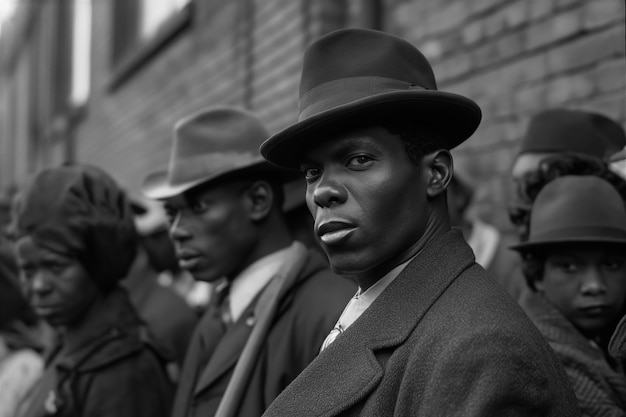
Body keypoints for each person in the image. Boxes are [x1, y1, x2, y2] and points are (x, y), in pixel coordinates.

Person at [258, 28, 580, 416]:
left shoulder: (479, 350)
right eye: (312, 171)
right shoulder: (386, 309)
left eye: (358, 159)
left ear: (436, 174)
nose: (323, 191)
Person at [141, 106, 354, 417]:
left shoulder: (332, 313)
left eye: (198, 206)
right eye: (171, 213)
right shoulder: (219, 312)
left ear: (258, 201)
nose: (178, 231)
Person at [9, 164, 174, 417]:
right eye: (27, 270)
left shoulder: (121, 372)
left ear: (98, 264)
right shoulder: (67, 344)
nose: (39, 285)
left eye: (56, 266)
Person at [512, 175, 626, 416]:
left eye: (613, 264)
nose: (594, 286)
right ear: (538, 275)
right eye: (570, 267)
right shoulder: (545, 361)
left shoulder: (598, 341)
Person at [124, 196, 198, 374]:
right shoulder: (158, 287)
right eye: (145, 241)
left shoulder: (206, 284)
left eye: (158, 236)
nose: (153, 248)